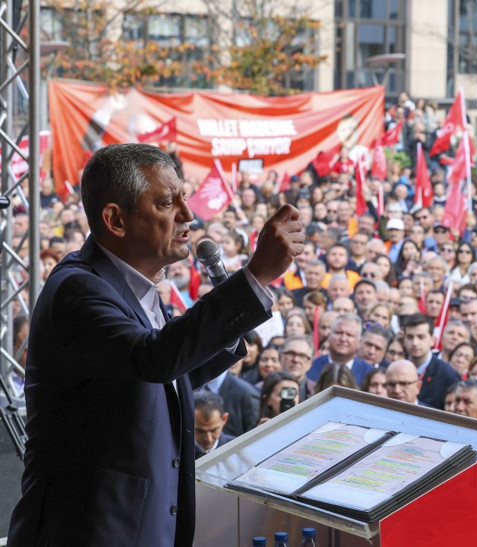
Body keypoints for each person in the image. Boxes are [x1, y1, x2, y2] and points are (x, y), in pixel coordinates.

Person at [9, 143, 304, 545]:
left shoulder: (136, 288)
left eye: (184, 198)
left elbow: (170, 374)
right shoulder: (78, 289)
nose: (188, 214)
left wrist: (232, 323)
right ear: (115, 219)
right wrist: (253, 278)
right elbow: (153, 359)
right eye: (168, 203)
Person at [193, 391, 235, 459]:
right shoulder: (178, 453)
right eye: (200, 431)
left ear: (224, 419)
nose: (208, 439)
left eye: (213, 430)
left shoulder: (238, 449)